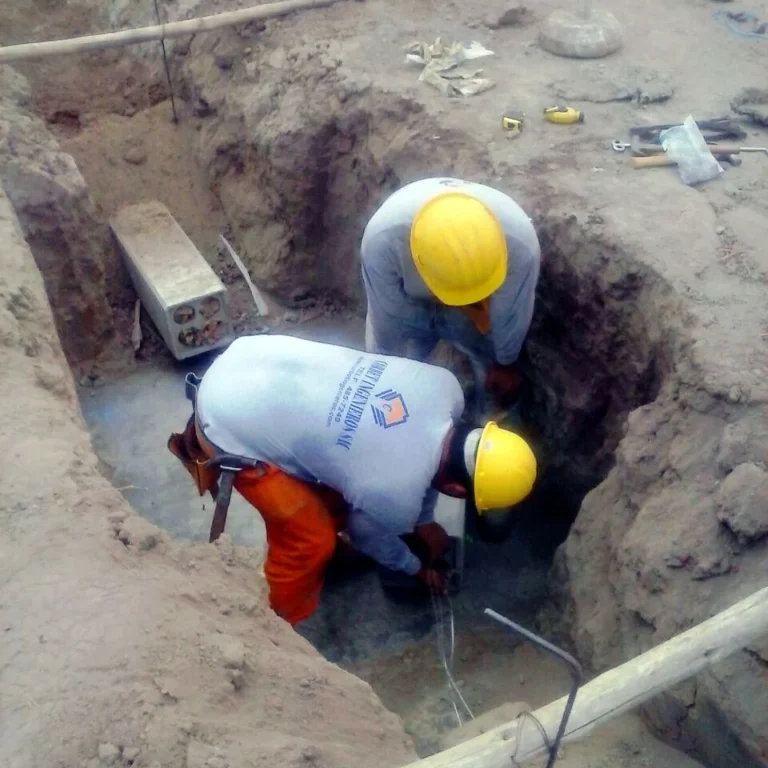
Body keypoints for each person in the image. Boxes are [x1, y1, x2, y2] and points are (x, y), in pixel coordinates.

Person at [169, 335, 537, 627]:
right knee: (310, 541)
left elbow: (418, 466)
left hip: (254, 355)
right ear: (458, 491)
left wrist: (421, 522)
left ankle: (330, 561)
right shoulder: (394, 492)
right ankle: (279, 625)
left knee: (349, 480)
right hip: (226, 418)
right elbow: (368, 534)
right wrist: (418, 568)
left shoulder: (446, 387)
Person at [361, 177, 541, 418]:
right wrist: (384, 373)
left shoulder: (520, 247)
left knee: (491, 368)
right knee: (403, 362)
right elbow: (387, 317)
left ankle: (488, 423)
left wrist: (505, 362)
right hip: (409, 299)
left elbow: (509, 313)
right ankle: (412, 408)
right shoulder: (382, 242)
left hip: (477, 307)